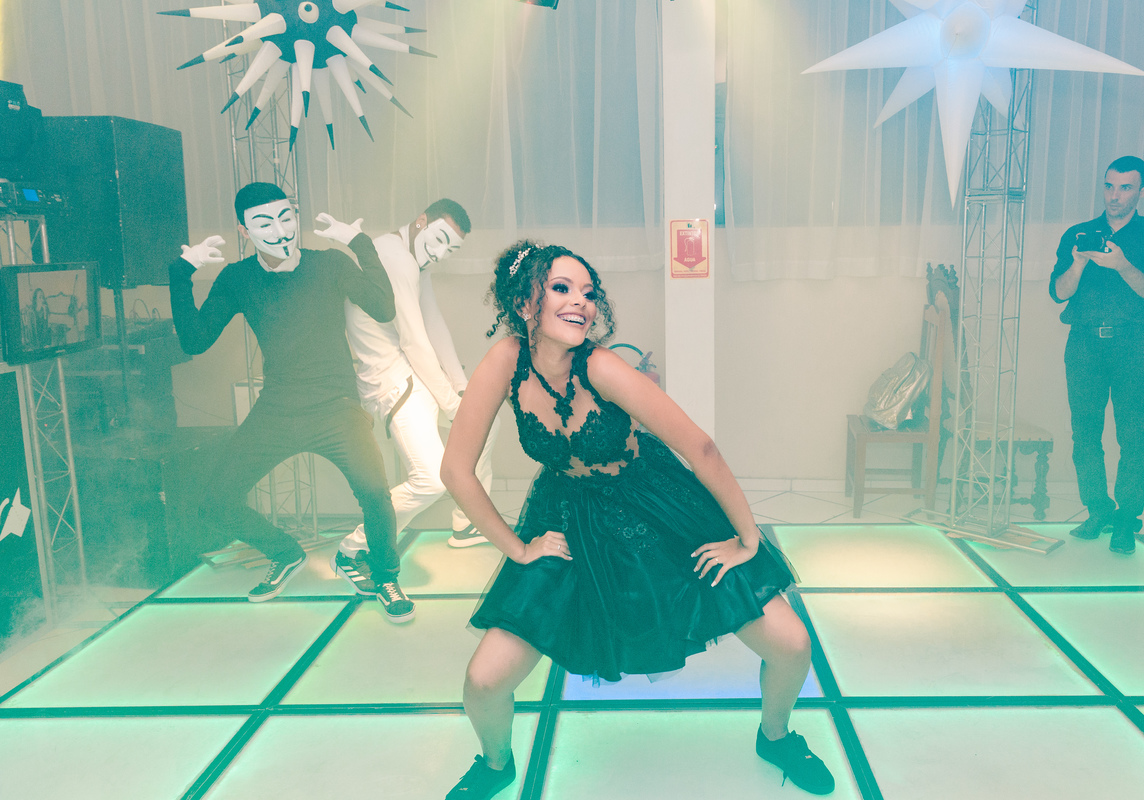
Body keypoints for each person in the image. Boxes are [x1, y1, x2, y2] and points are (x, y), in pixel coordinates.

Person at [438, 242, 835, 798]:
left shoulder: (600, 365)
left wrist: (747, 538)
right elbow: (456, 470)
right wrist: (517, 547)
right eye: (562, 288)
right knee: (482, 681)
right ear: (526, 301)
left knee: (792, 644)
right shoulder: (505, 360)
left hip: (655, 507)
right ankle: (495, 762)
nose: (583, 301)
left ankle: (776, 735)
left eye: (588, 291)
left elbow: (701, 449)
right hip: (566, 519)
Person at [169, 181, 414, 621]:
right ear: (245, 231)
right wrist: (180, 273)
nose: (280, 230)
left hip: (337, 405)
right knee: (214, 501)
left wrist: (359, 244)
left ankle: (386, 576)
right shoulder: (238, 278)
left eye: (287, 217)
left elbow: (382, 307)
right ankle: (284, 551)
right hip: (278, 406)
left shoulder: (329, 265)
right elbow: (194, 339)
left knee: (376, 494)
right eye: (264, 222)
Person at [334, 199, 500, 593]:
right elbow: (413, 340)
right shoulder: (394, 258)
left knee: (485, 422)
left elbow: (433, 323)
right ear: (420, 221)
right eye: (439, 239)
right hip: (393, 381)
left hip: (415, 377)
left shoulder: (414, 258)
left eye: (450, 249)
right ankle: (354, 547)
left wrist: (462, 388)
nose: (440, 253)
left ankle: (466, 523)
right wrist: (450, 402)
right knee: (430, 480)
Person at [1050, 156, 1144, 555]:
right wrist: (1077, 264)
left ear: (1142, 190)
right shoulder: (1080, 233)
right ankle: (1098, 509)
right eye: (1109, 186)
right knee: (1084, 434)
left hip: (1132, 344)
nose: (1114, 195)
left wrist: (1122, 265)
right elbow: (1059, 292)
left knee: (1134, 436)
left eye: (1124, 187)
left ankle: (1126, 520)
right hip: (1084, 343)